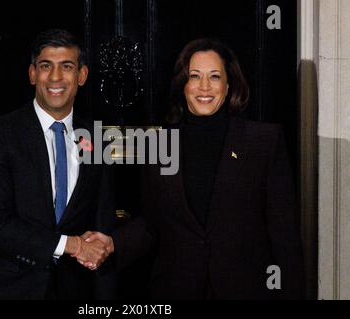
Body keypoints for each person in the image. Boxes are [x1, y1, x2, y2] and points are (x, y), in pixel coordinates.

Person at [81, 38, 305, 299]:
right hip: (175, 289)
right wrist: (113, 244)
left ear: (229, 84)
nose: (205, 87)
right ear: (183, 85)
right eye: (195, 76)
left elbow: (284, 235)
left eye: (215, 77)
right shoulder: (159, 145)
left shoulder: (263, 141)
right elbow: (152, 225)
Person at [0, 29, 115, 299]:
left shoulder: (97, 139)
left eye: (67, 67)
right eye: (45, 66)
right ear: (32, 74)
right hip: (14, 291)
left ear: (82, 76)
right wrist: (71, 245)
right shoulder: (1, 133)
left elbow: (102, 226)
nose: (55, 77)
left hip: (78, 291)